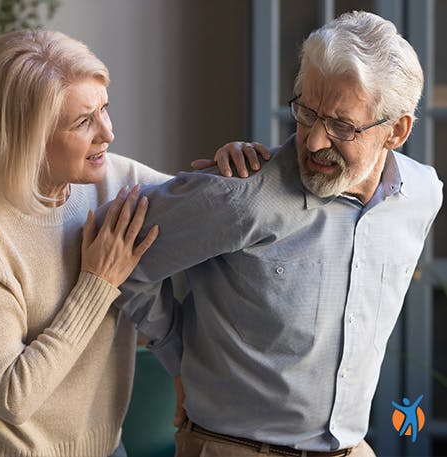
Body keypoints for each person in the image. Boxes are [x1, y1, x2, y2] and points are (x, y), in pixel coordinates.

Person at [104, 10, 443, 457]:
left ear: (396, 131)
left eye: (342, 125)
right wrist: (180, 361)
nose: (316, 141)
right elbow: (120, 253)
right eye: (306, 112)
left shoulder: (422, 194)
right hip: (235, 448)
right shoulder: (243, 194)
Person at [0, 28, 256, 457]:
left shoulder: (118, 181)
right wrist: (97, 282)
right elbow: (12, 398)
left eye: (104, 110)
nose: (107, 133)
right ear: (29, 137)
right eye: (83, 122)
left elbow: (220, 216)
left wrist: (239, 167)